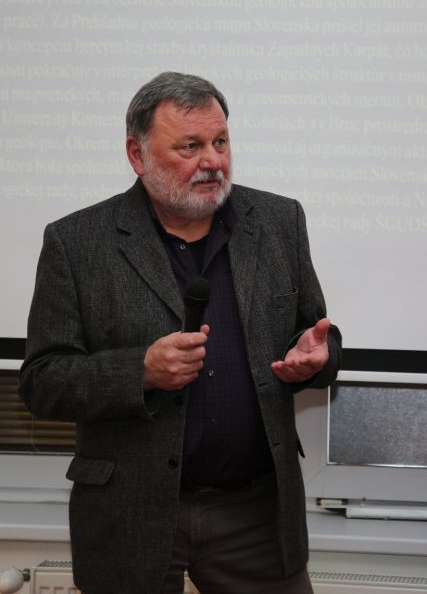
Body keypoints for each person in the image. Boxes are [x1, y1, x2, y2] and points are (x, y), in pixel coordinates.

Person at [19, 71, 342, 594]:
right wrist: (140, 371)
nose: (213, 161)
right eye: (190, 146)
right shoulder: (77, 243)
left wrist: (317, 358)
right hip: (131, 512)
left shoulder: (278, 221)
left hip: (254, 514)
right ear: (137, 154)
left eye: (220, 142)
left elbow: (318, 335)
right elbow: (42, 382)